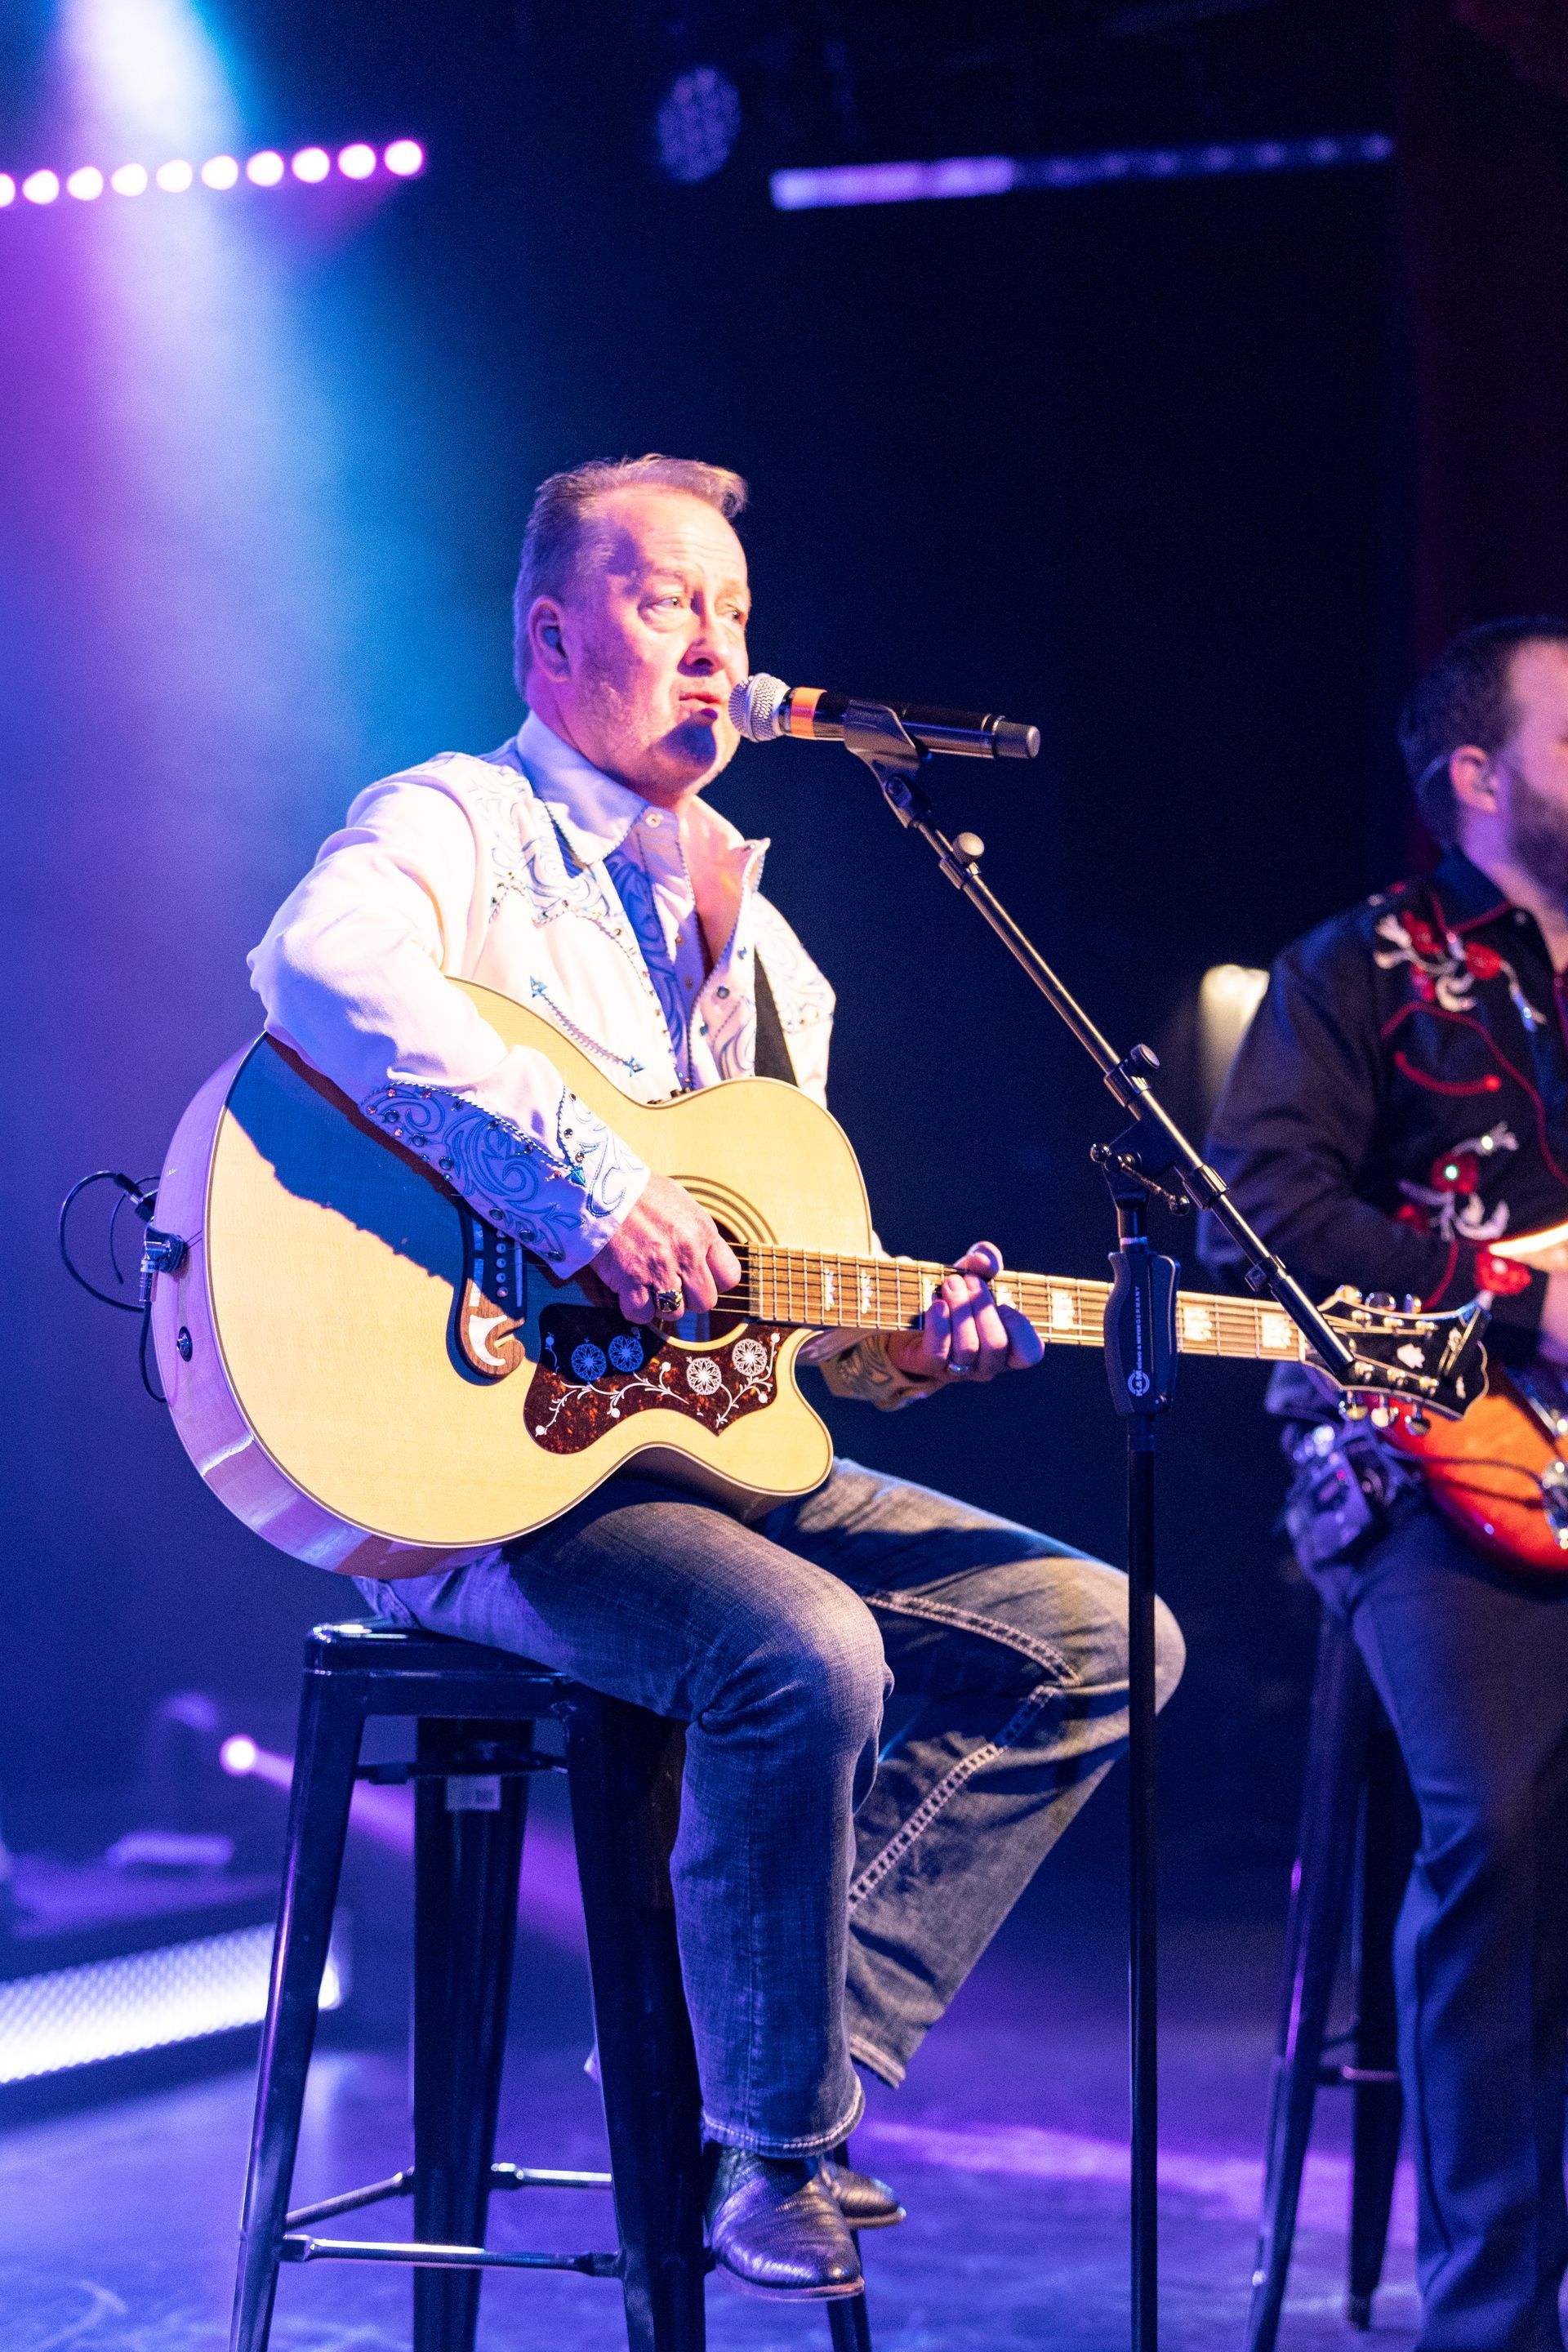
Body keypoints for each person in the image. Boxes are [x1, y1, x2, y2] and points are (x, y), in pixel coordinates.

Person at [251, 454, 1184, 2302]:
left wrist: (895, 1351)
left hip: (683, 1467)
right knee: (804, 1649)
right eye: (673, 603)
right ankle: (773, 2147)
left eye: (739, 615)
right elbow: (319, 965)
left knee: (1100, 1631)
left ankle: (751, 2039)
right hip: (472, 1470)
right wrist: (591, 1188)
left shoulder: (769, 952)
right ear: (551, 637)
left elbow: (744, 1330)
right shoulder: (457, 823)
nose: (721, 649)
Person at [1202, 617, 1568, 2352]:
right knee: (1498, 1829)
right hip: (1430, 1483)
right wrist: (1516, 1291)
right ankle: (1492, 2321)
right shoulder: (1356, 971)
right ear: (1479, 778)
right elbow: (1259, 1220)